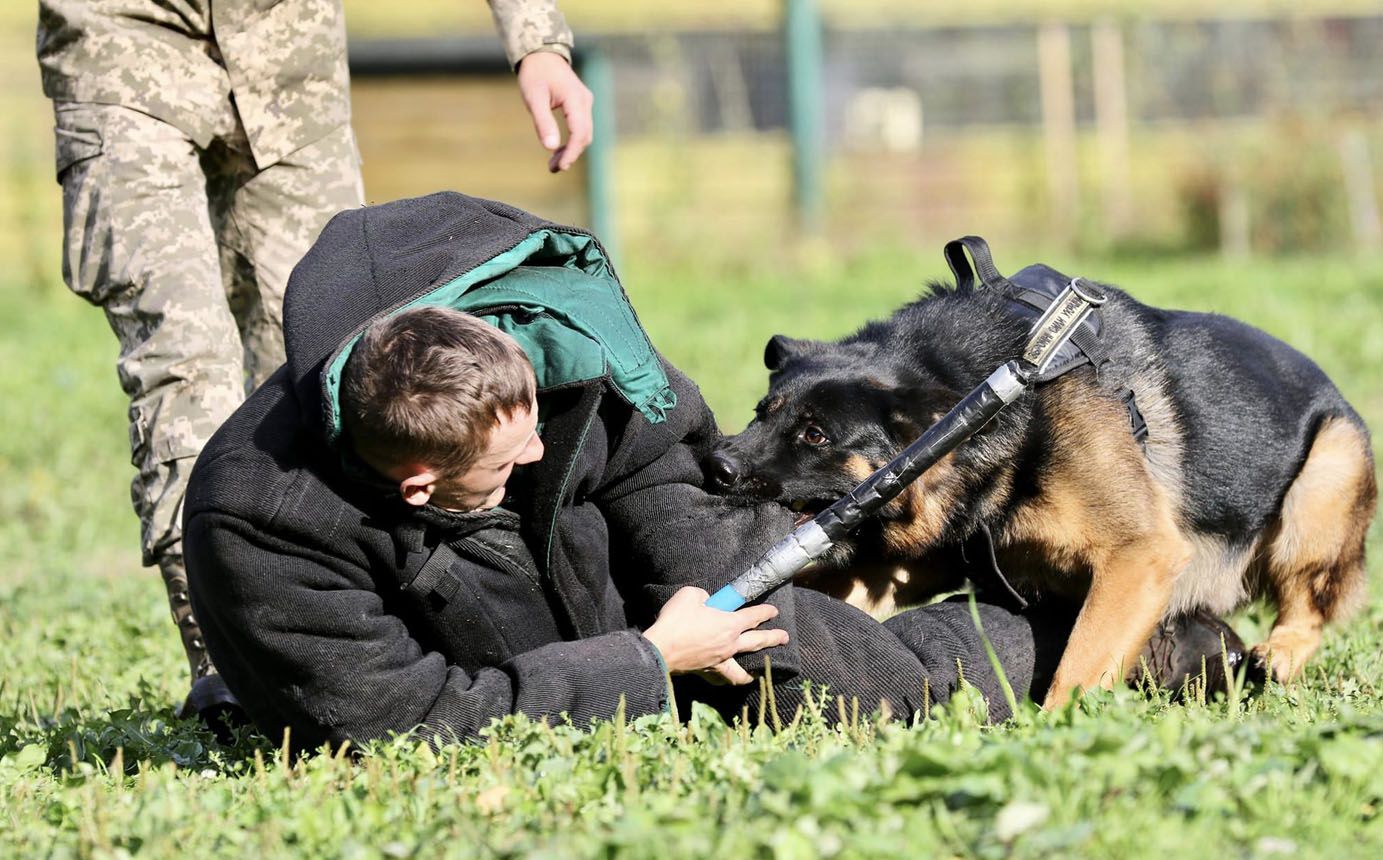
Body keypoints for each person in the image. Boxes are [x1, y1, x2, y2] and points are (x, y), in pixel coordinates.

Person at [182, 192, 1245, 748]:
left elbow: (667, 487)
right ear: (417, 483)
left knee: (827, 668)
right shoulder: (266, 527)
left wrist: (767, 610)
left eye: (535, 422)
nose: (547, 449)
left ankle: (1114, 637)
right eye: (512, 463)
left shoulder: (558, 359)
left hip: (628, 599)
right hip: (487, 669)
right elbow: (410, 719)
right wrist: (646, 663)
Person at [37, 0, 594, 703]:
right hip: (123, 46)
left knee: (338, 360)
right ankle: (231, 666)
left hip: (288, 55)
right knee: (183, 370)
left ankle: (365, 628)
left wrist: (537, 41)